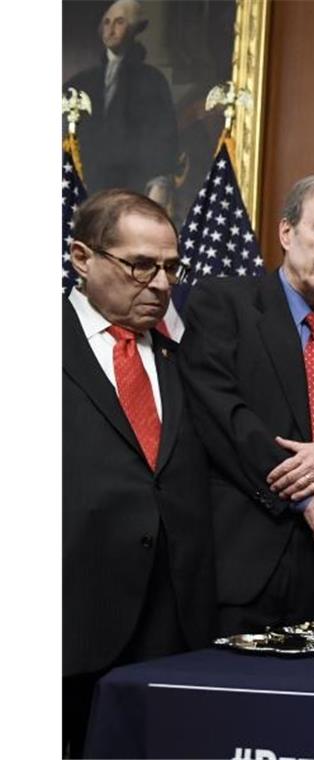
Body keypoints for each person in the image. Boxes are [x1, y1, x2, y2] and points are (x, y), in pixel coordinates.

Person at [178, 175, 314, 634]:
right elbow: (223, 417)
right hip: (247, 569)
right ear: (285, 233)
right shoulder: (224, 304)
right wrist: (308, 494)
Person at [63, 189, 215, 755]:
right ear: (82, 257)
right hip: (66, 624)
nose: (161, 284)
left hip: (170, 631)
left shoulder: (183, 355)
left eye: (172, 267)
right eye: (140, 266)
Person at [63, 0, 178, 209]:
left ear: (134, 28)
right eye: (106, 23)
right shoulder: (80, 83)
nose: (111, 29)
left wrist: (159, 184)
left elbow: (163, 139)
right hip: (86, 188)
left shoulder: (152, 81)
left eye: (119, 22)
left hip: (131, 189)